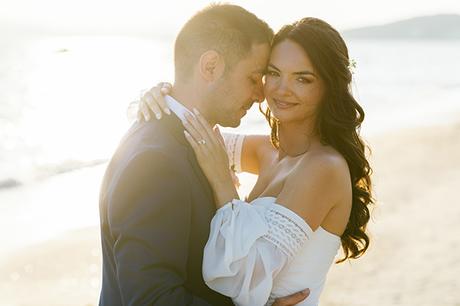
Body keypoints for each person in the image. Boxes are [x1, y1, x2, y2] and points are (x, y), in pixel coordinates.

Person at [138, 17, 374, 306]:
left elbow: (244, 281)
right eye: (273, 73)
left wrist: (224, 185)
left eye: (303, 78)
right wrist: (161, 98)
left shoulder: (324, 168)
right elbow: (192, 134)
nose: (280, 89)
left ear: (329, 87)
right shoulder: (266, 151)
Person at [98, 4, 310, 306]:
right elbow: (150, 298)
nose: (261, 94)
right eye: (254, 77)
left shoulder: (191, 139)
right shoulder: (156, 161)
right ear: (210, 67)